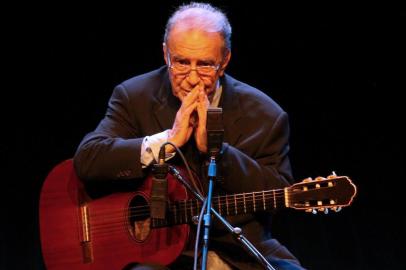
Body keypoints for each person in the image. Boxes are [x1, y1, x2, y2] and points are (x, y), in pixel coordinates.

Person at [74, 2, 304, 270]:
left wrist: (218, 150)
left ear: (224, 61)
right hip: (156, 253)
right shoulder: (134, 96)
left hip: (236, 250)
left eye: (205, 65)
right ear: (165, 54)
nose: (193, 78)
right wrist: (168, 140)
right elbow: (89, 159)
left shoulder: (265, 114)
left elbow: (276, 192)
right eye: (182, 62)